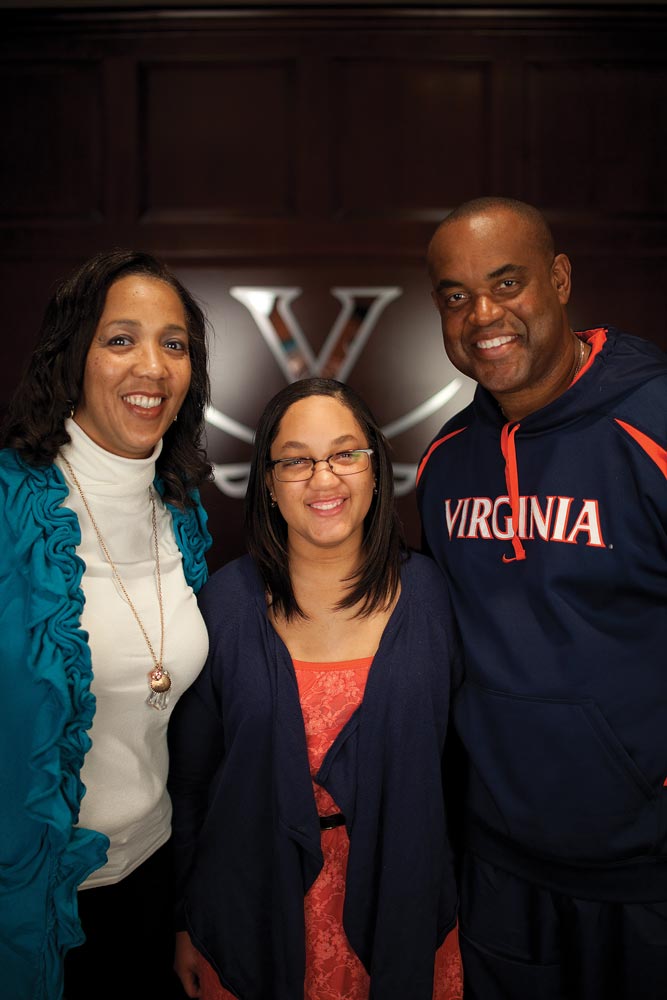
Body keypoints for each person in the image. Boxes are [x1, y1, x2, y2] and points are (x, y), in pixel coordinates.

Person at [416, 195, 667, 1000]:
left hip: (649, 870)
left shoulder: (653, 424)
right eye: (455, 296)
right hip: (501, 867)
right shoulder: (445, 461)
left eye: (506, 283)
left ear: (557, 280)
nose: (482, 316)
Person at [167, 377, 462, 1000]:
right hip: (248, 912)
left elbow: (463, 773)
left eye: (345, 453)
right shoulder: (223, 606)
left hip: (407, 906)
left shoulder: (434, 597)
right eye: (296, 460)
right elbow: (191, 782)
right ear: (269, 485)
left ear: (375, 470)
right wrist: (187, 918)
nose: (324, 479)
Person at [0, 249, 213, 1000]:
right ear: (72, 357)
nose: (151, 366)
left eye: (173, 343)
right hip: (30, 898)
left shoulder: (182, 512)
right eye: (121, 339)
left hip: (152, 878)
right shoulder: (8, 510)